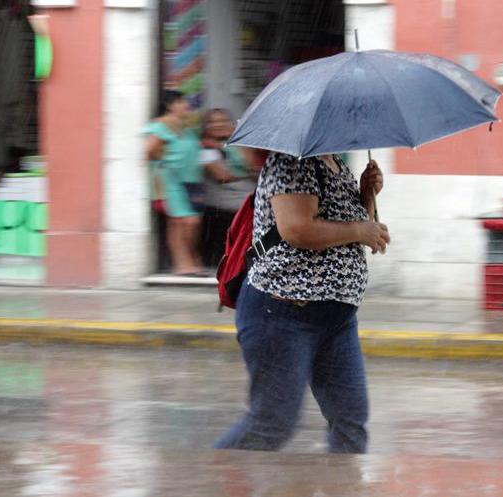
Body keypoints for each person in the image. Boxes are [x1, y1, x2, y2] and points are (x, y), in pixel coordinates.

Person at [213, 152, 389, 454]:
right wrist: (361, 230)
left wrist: (366, 195)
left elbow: (345, 225)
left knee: (350, 421)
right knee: (271, 425)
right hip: (282, 314)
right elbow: (296, 228)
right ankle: (211, 481)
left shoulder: (334, 161)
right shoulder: (292, 161)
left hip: (336, 320)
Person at [143, 90, 206, 276]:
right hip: (172, 181)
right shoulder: (161, 127)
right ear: (171, 105)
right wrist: (164, 165)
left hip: (191, 182)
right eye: (182, 102)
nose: (187, 105)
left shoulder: (185, 129)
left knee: (190, 222)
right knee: (183, 222)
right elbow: (148, 151)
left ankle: (190, 260)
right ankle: (182, 264)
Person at [199, 109, 264, 268]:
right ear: (206, 127)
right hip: (222, 211)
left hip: (248, 207)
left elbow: (252, 166)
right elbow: (222, 176)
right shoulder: (205, 148)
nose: (218, 125)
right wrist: (246, 173)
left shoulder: (237, 146)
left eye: (222, 121)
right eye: (213, 122)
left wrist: (237, 141)